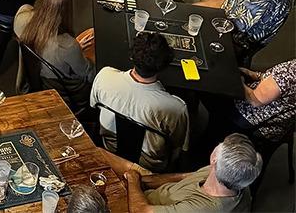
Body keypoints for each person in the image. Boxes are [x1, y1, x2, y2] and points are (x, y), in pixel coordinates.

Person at [90, 32, 189, 172]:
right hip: (148, 167)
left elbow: (93, 106)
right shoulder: (176, 108)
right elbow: (178, 146)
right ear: (164, 65)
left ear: (132, 57)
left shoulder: (104, 76)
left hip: (110, 151)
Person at [108, 134, 262, 213]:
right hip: (149, 192)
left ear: (214, 159)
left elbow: (141, 210)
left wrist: (132, 181)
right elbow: (184, 177)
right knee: (101, 154)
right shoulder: (236, 175)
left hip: (139, 206)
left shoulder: (203, 208)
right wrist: (143, 181)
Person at [14, 0, 95, 110]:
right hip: (67, 93)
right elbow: (88, 74)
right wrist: (78, 51)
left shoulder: (21, 17)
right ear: (67, 8)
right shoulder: (68, 45)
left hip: (35, 80)